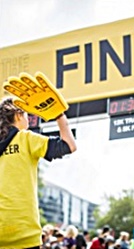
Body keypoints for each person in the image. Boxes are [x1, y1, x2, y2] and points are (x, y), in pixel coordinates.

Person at [0, 72, 77, 249]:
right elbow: (69, 145)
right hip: (24, 232)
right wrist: (58, 114)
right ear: (18, 115)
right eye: (27, 113)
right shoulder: (25, 138)